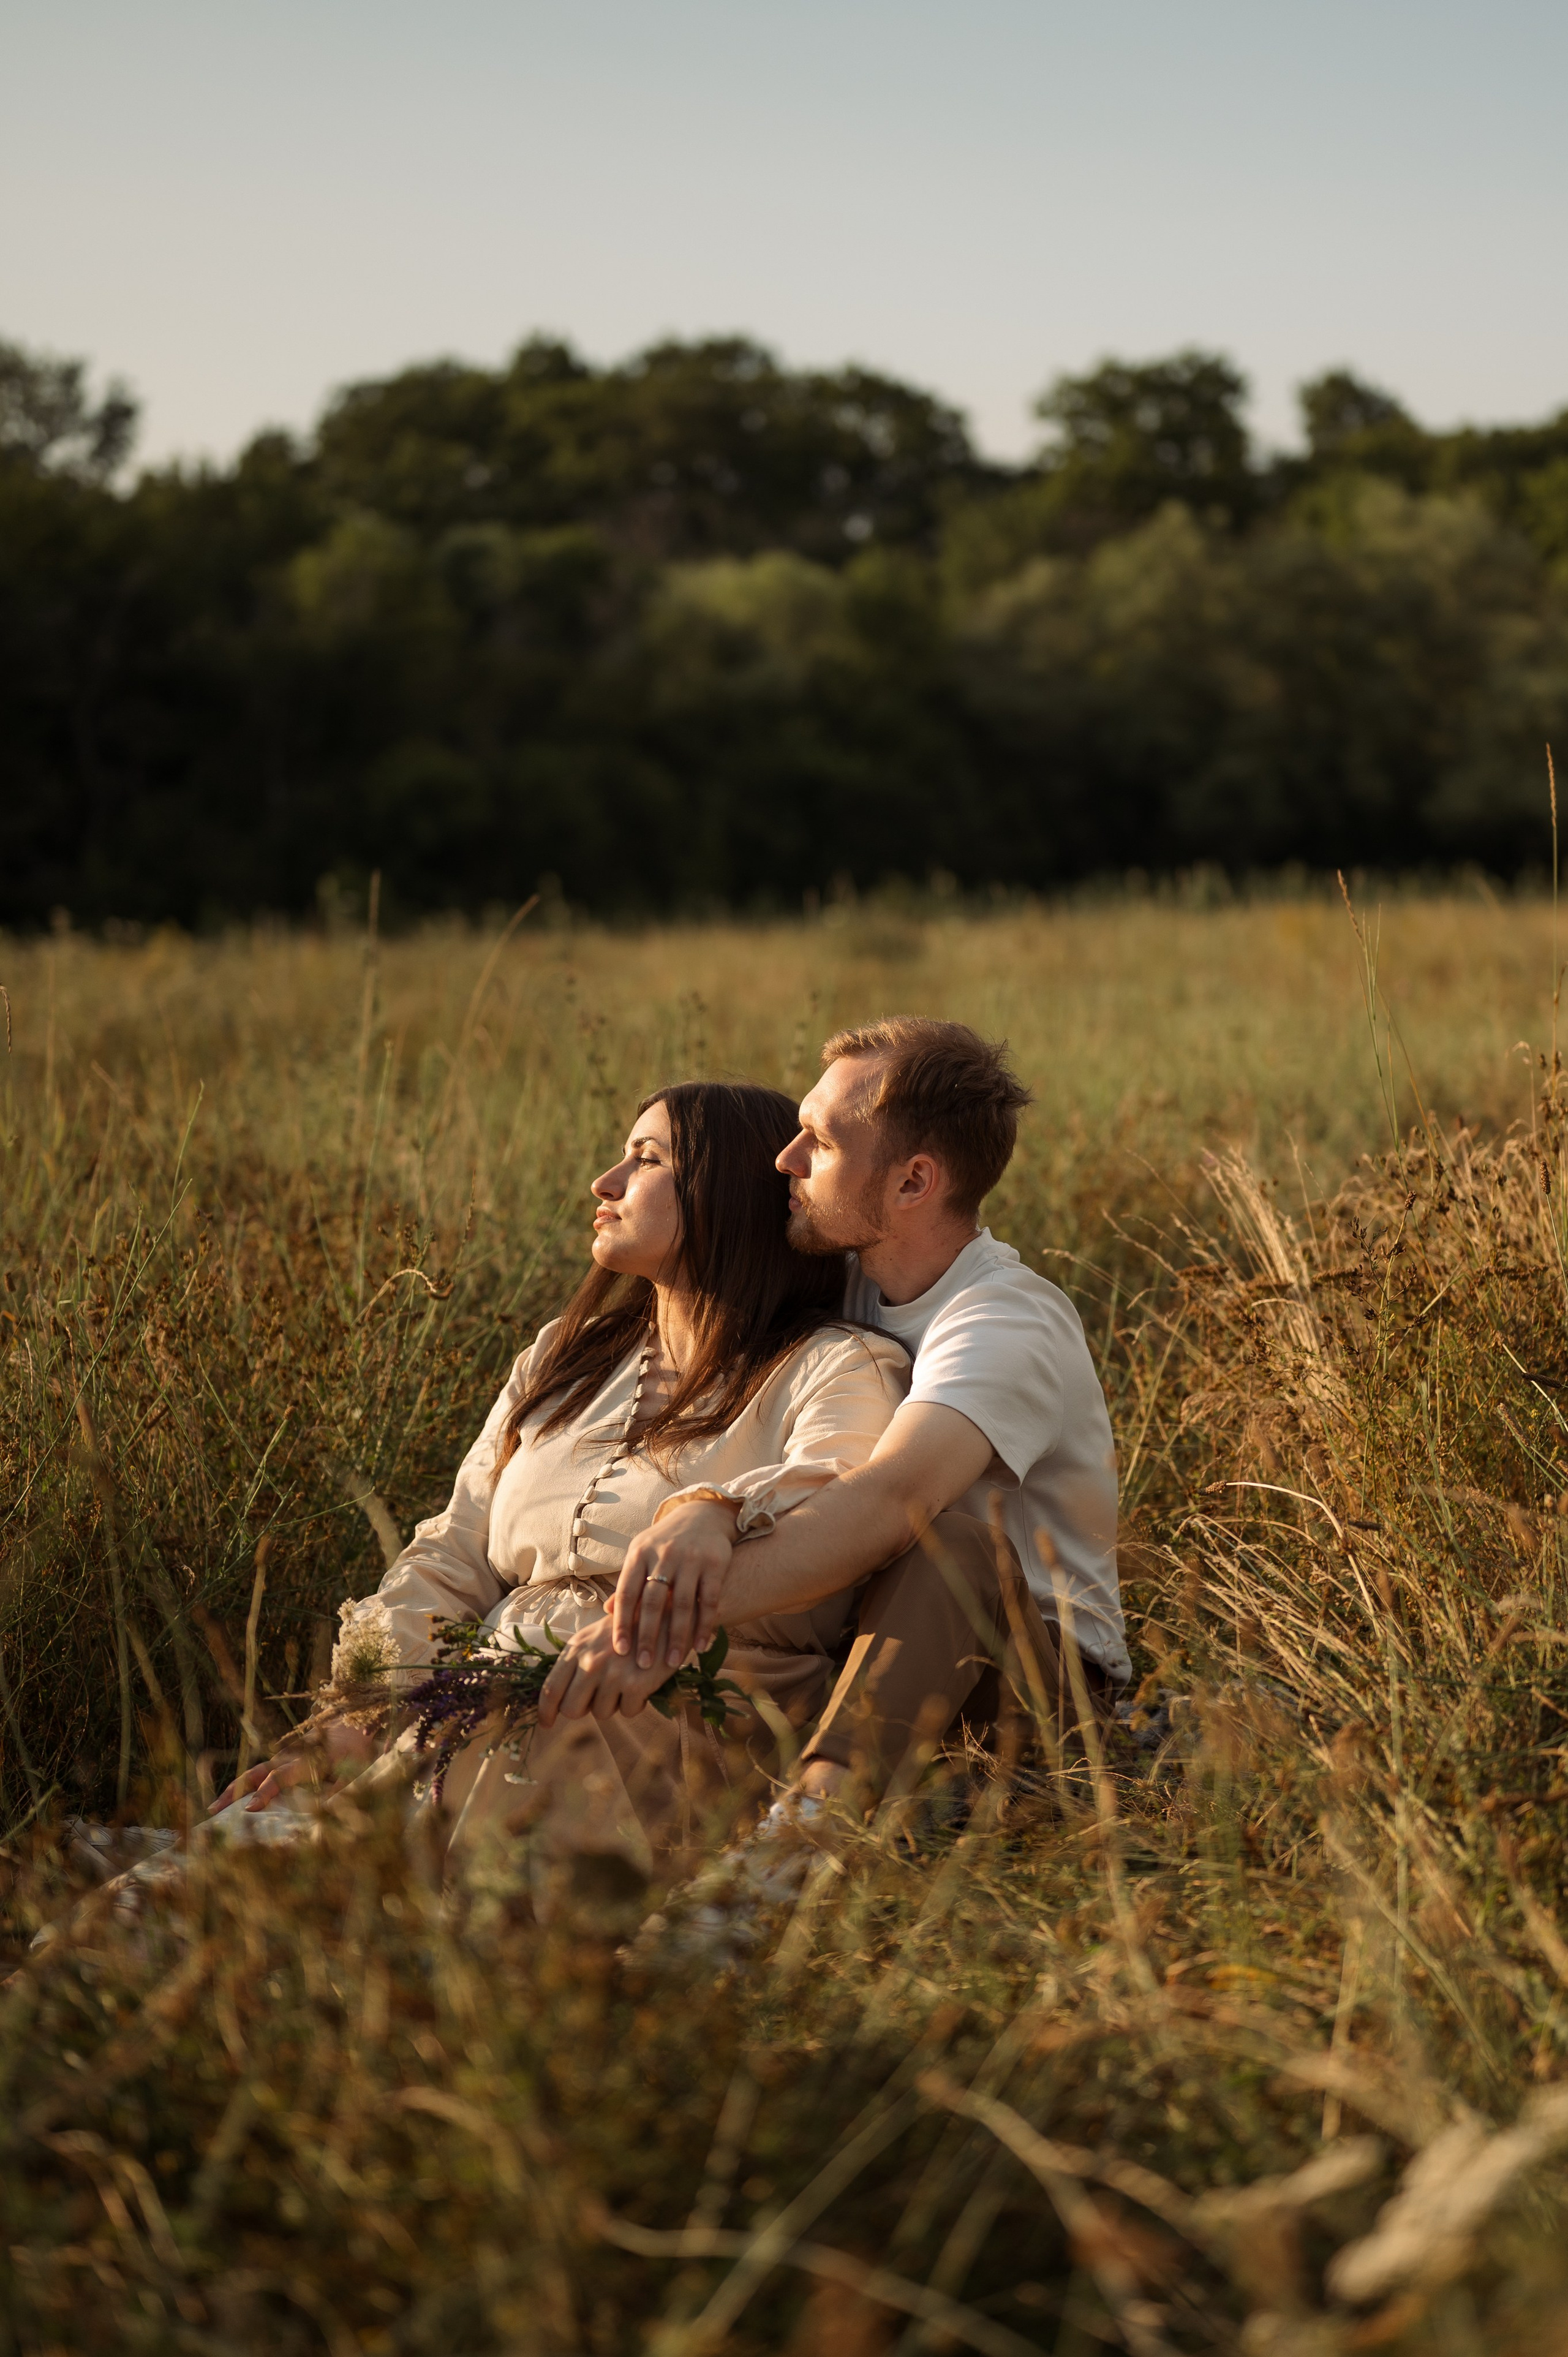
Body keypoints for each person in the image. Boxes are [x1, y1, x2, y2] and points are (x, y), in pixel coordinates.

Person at [209, 1081, 910, 1895]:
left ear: (726, 1194)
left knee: (369, 1893)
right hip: (485, 1705)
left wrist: (714, 1511)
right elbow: (456, 1545)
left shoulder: (836, 1368)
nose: (604, 1183)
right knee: (230, 1866)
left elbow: (834, 1502)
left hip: (684, 1722)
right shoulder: (566, 1354)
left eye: (646, 1160)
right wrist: (356, 1717)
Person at [544, 1019, 1128, 1814]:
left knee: (949, 1547)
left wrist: (658, 1630)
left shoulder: (1003, 1322)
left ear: (913, 1184)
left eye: (817, 1141)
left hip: (1026, 1695)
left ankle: (796, 1849)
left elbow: (888, 1505)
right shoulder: (843, 1279)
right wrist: (706, 1515)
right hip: (861, 1655)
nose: (786, 1160)